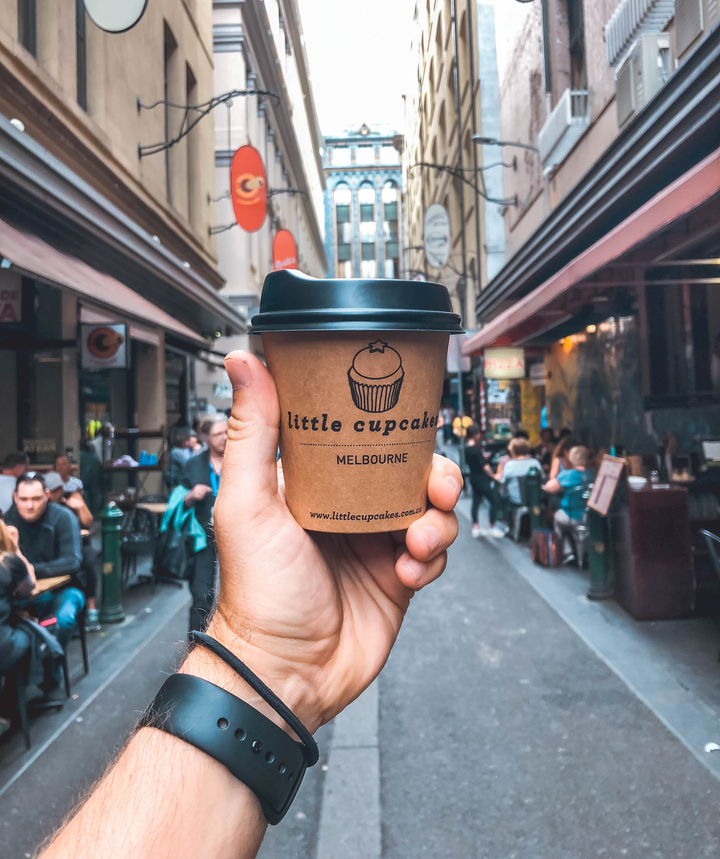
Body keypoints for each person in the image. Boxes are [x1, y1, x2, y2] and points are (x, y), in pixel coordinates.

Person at [35, 350, 461, 859]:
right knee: (202, 594)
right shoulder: (199, 464)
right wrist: (258, 656)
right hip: (207, 552)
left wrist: (266, 666)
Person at [5, 472, 84, 694]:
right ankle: (15, 688)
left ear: (47, 495)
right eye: (24, 499)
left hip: (65, 589)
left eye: (36, 499)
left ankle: (50, 677)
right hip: (23, 596)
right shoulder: (8, 522)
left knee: (62, 620)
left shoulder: (63, 517)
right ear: (14, 497)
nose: (29, 505)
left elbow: (72, 562)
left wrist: (28, 569)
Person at [181, 418, 228, 633]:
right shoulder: (194, 465)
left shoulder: (240, 462)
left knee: (237, 594)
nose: (225, 438)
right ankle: (197, 644)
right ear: (206, 438)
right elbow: (177, 500)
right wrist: (191, 495)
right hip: (202, 535)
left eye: (227, 432)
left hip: (234, 534)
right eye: (218, 434)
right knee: (201, 593)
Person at [45, 472, 100, 631]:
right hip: (55, 548)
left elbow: (88, 522)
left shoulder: (71, 498)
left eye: (56, 490)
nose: (54, 495)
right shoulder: (43, 507)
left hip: (79, 544)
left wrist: (80, 506)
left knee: (88, 558)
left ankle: (91, 609)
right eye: (51, 491)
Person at [0, 519, 35, 735]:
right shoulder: (7, 562)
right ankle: (11, 709)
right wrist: (15, 546)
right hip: (2, 647)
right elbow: (29, 586)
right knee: (28, 634)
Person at [543, 445, 596, 559]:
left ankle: (567, 551)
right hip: (590, 517)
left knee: (557, 517)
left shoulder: (568, 475)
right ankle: (584, 551)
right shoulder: (594, 473)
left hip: (570, 516)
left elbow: (549, 488)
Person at [464, 425, 498, 539]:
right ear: (475, 434)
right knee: (494, 500)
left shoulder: (467, 448)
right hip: (482, 478)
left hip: (473, 477)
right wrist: (494, 476)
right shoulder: (476, 449)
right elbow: (485, 467)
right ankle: (492, 526)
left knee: (476, 501)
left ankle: (475, 527)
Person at [498, 437, 543, 506]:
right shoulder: (535, 463)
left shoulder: (510, 465)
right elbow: (542, 478)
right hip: (535, 501)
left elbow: (503, 484)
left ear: (513, 451)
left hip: (514, 502)